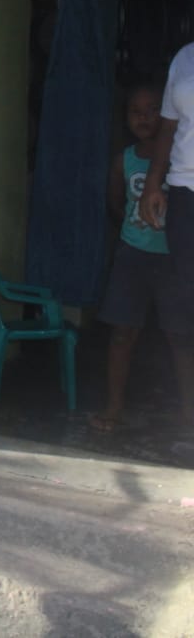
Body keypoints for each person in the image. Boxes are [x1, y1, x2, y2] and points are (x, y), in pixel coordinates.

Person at [91, 84, 176, 432]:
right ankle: (114, 408)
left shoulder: (180, 159)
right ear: (126, 119)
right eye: (135, 111)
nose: (144, 117)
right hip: (133, 253)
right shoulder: (122, 161)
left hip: (173, 256)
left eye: (153, 109)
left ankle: (188, 411)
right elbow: (115, 203)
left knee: (182, 335)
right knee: (123, 333)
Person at [138, 45, 194, 428]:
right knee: (187, 299)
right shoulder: (185, 58)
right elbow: (170, 127)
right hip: (185, 190)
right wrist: (153, 183)